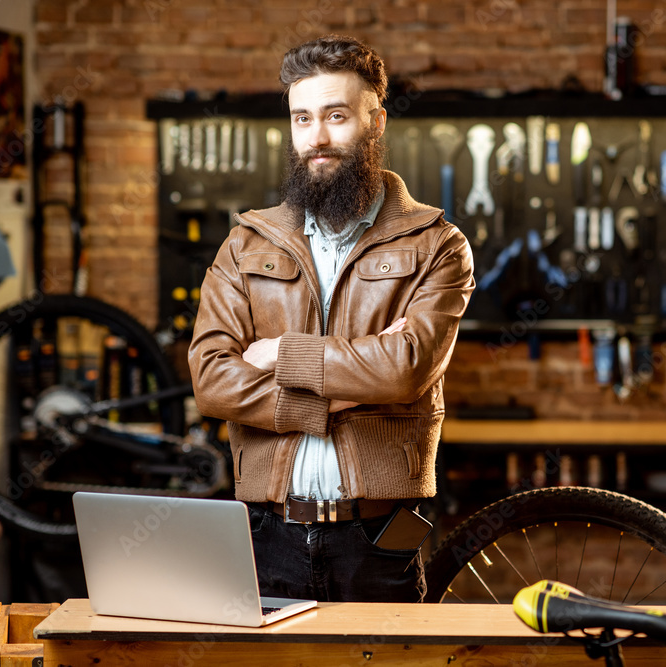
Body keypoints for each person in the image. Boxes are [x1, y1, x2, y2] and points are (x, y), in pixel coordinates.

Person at [188, 35, 475, 603]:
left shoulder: (436, 245)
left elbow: (403, 371)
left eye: (336, 116)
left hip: (379, 537)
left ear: (376, 121)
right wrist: (344, 386)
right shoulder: (246, 245)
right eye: (302, 119)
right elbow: (212, 382)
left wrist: (277, 355)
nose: (316, 138)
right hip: (266, 532)